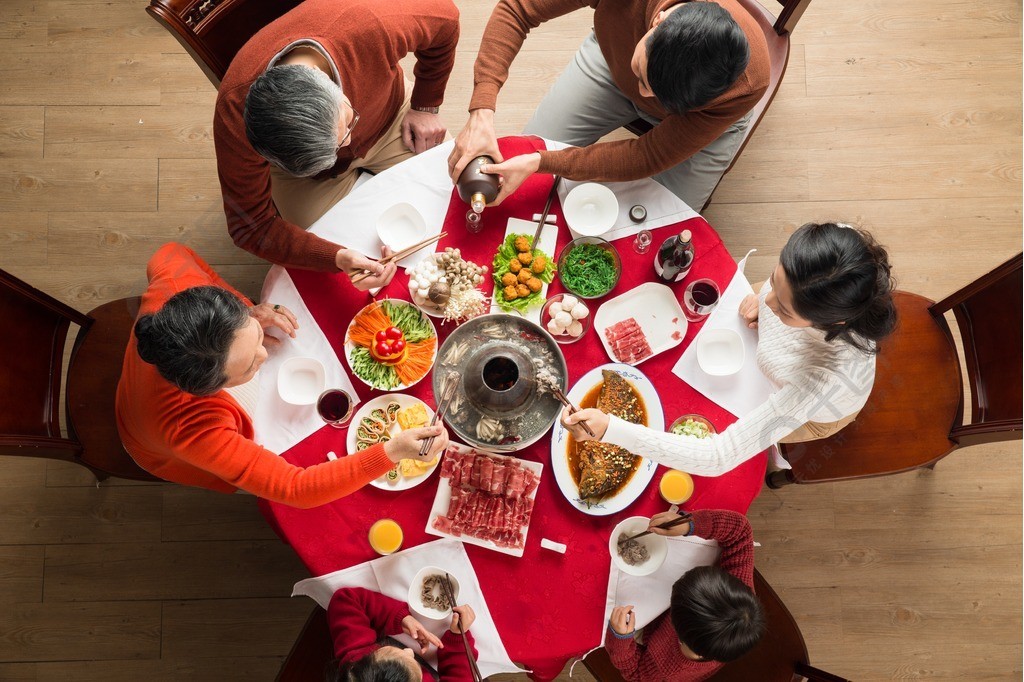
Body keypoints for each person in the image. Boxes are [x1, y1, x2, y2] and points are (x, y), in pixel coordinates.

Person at [116, 243, 449, 508]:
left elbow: (169, 252)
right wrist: (391, 452)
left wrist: (250, 311)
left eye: (256, 339)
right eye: (249, 366)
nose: (264, 355)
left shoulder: (176, 287)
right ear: (211, 389)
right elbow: (295, 488)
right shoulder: (189, 428)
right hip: (154, 443)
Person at [561, 222, 898, 475]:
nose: (767, 301)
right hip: (782, 355)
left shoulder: (822, 379)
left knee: (735, 425)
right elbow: (775, 296)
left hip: (816, 411)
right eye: (774, 280)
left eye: (783, 309)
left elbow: (720, 455)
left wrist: (612, 429)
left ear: (831, 322)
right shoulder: (838, 245)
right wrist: (769, 306)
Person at [214, 0, 460, 280]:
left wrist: (425, 105)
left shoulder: (367, 24)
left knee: (450, 188)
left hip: (392, 118)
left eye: (348, 121)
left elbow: (447, 19)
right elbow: (250, 226)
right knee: (327, 251)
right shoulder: (234, 117)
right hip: (309, 178)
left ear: (321, 76)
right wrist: (336, 257)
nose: (350, 145)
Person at [448, 0, 769, 211]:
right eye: (643, 77)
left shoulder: (746, 82)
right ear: (656, 21)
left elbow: (649, 154)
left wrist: (543, 161)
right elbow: (517, 9)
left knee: (665, 223)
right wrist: (481, 110)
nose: (644, 97)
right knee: (526, 159)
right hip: (612, 61)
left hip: (701, 126)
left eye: (655, 94)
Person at [607, 509, 763, 681]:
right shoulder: (739, 593)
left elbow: (635, 674)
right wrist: (689, 524)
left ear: (676, 625)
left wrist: (621, 639)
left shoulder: (669, 669)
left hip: (648, 635)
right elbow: (741, 531)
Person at [327, 586, 478, 681]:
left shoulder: (355, 664)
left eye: (383, 650)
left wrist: (399, 618)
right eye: (414, 665)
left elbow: (346, 600)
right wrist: (459, 638)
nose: (409, 651)